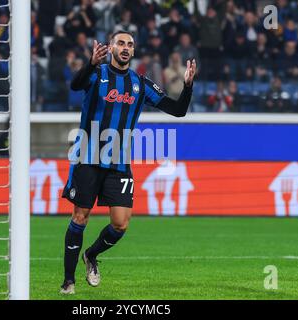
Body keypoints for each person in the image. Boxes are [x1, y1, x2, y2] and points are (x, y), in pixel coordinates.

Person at [59, 30, 197, 294]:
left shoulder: (141, 84)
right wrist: (90, 63)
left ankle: (91, 255)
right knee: (80, 216)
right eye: (120, 43)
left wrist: (188, 86)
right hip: (88, 158)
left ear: (133, 52)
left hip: (119, 163)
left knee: (121, 223)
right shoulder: (96, 74)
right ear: (111, 47)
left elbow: (178, 110)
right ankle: (68, 280)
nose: (125, 47)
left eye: (130, 44)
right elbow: (75, 86)